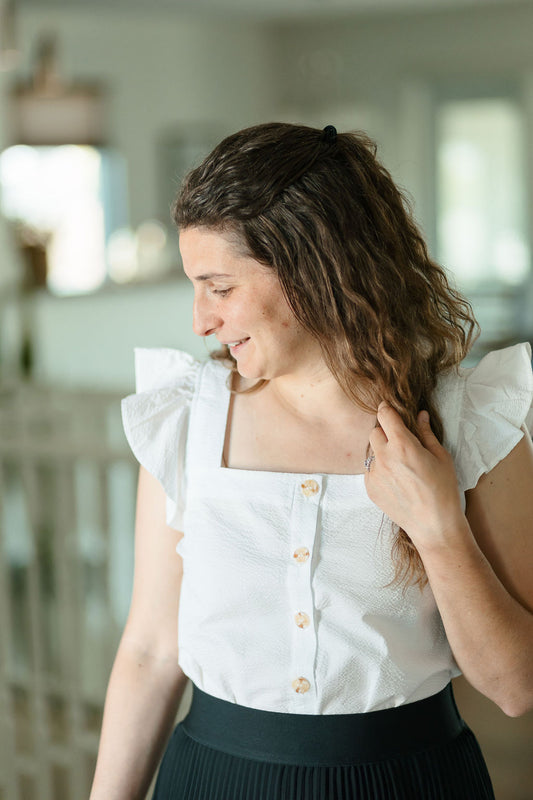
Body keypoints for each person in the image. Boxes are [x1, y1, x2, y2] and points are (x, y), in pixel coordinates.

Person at [89, 122, 533, 800]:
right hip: (213, 780)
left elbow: (514, 687)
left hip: (411, 782)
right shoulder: (184, 419)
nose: (199, 321)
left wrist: (438, 527)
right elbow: (150, 652)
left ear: (309, 268)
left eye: (218, 286)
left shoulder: (472, 420)